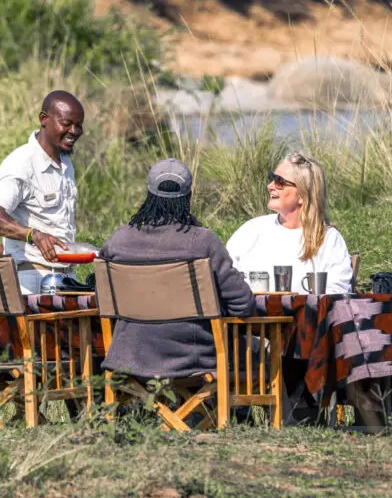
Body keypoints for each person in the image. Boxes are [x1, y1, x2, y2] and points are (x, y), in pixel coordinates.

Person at [100, 158, 255, 379]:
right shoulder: (203, 241)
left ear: (149, 194)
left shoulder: (118, 240)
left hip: (128, 359)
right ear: (188, 196)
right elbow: (243, 303)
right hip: (192, 360)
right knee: (255, 353)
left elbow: (104, 299)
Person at [0, 90, 85, 294]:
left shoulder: (65, 163)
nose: (74, 131)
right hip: (33, 281)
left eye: (79, 125)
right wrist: (33, 236)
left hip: (65, 278)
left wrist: (11, 243)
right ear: (43, 119)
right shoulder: (21, 163)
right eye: (66, 124)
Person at [226, 152, 352, 295]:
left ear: (303, 195)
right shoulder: (251, 230)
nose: (270, 186)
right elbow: (223, 277)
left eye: (279, 181)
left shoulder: (328, 239)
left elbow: (337, 294)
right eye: (272, 178)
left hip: (307, 316)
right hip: (250, 315)